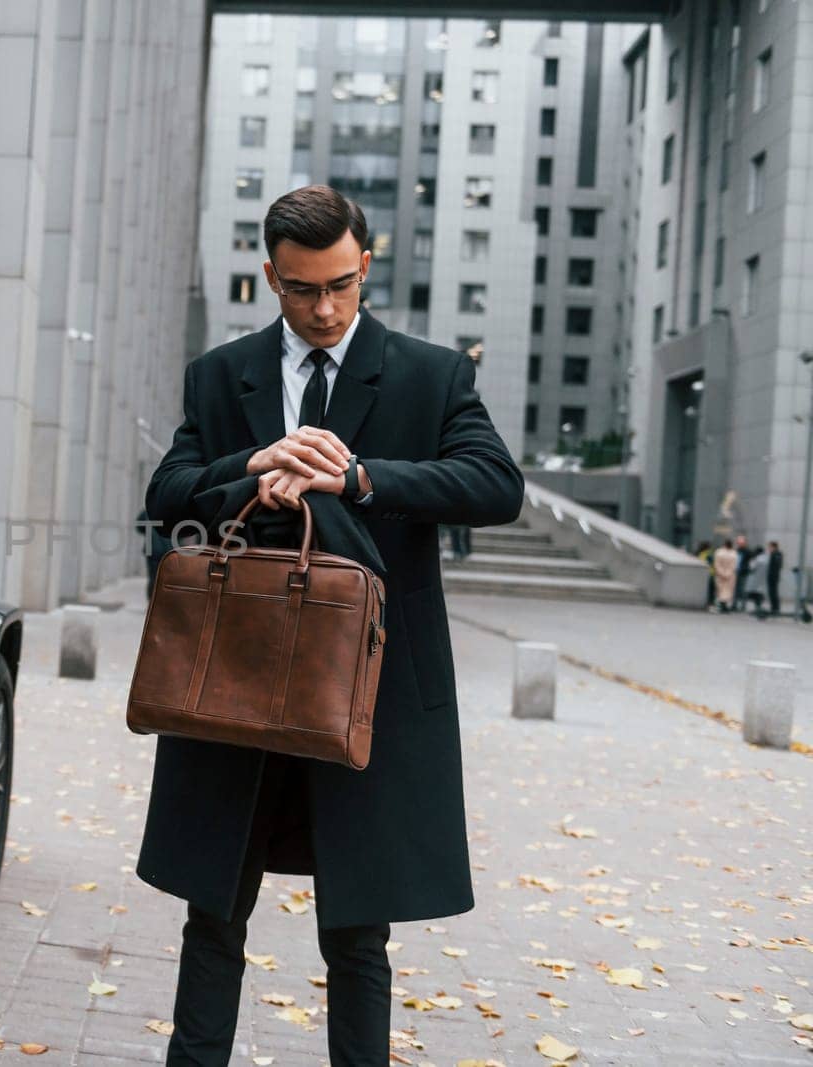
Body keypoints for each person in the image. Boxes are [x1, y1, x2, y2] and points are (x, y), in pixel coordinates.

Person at [140, 185, 522, 1066]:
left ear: (365, 266)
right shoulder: (219, 371)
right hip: (232, 680)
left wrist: (356, 478)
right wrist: (255, 463)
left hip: (367, 689)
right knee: (213, 913)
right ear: (270, 275)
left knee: (358, 933)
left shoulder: (432, 374)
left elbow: (495, 485)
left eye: (342, 286)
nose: (324, 308)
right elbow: (167, 494)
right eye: (303, 288)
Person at [712, 539, 739, 613]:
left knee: (720, 590)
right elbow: (734, 565)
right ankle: (725, 606)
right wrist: (728, 573)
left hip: (720, 575)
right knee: (728, 591)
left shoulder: (718, 552)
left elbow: (716, 564)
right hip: (730, 575)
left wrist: (721, 573)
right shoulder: (734, 554)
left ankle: (722, 606)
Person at [745, 545, 770, 619]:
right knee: (760, 594)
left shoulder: (757, 559)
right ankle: (759, 608)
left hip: (755, 580)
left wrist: (751, 560)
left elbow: (751, 567)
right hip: (763, 580)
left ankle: (758, 609)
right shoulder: (767, 559)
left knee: (755, 595)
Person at [730, 534, 750, 613]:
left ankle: (743, 606)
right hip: (736, 571)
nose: (739, 544)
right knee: (735, 589)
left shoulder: (748, 552)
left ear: (744, 543)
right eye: (738, 542)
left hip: (743, 572)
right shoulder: (736, 551)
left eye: (741, 542)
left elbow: (750, 562)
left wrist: (745, 568)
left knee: (742, 589)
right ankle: (734, 605)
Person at [696, 540, 716, 610]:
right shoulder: (709, 554)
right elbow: (713, 564)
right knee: (711, 591)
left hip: (702, 575)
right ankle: (710, 605)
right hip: (710, 574)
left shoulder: (699, 553)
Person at [766, 540, 783, 617]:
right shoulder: (775, 554)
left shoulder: (776, 554)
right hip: (773, 576)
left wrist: (773, 574)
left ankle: (775, 608)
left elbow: (777, 566)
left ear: (773, 547)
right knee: (772, 592)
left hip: (773, 576)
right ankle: (774, 608)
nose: (769, 548)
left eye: (770, 547)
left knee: (773, 592)